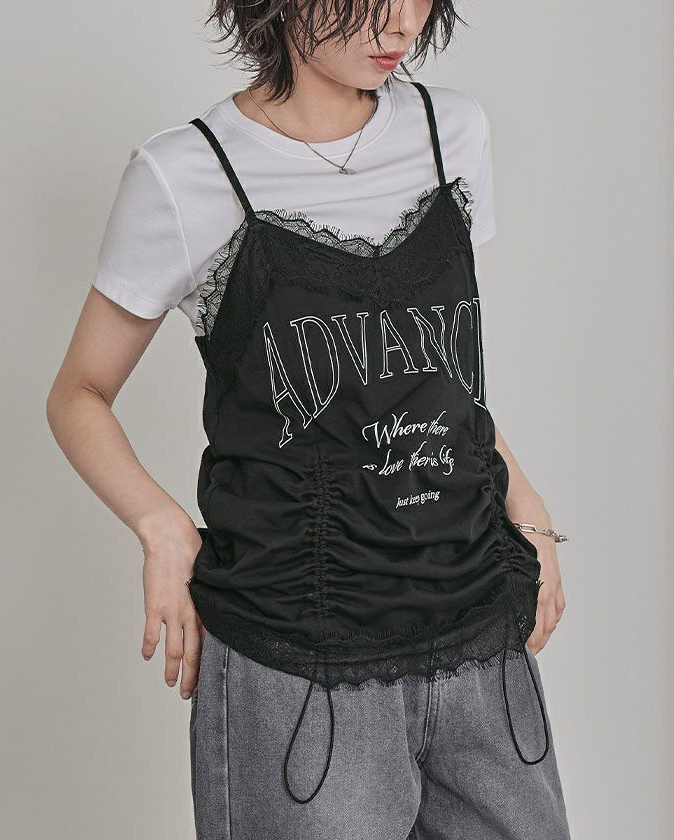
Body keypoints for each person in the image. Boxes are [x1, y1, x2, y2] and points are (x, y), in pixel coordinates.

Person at [46, 0, 572, 837]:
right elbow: (78, 392)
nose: (401, 25)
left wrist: (527, 504)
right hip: (296, 662)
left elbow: (433, 374)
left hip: (479, 633)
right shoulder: (189, 173)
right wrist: (162, 527)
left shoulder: (452, 133)